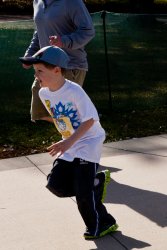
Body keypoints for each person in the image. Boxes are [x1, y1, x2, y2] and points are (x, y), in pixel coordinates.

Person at [19, 46, 118, 240]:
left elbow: (91, 120)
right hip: (70, 142)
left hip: (89, 140)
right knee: (55, 184)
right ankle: (95, 184)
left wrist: (68, 142)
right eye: (35, 71)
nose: (36, 76)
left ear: (57, 70)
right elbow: (59, 116)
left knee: (83, 195)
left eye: (40, 71)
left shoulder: (75, 91)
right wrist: (65, 139)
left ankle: (101, 225)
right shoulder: (44, 93)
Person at [22, 0, 95, 123]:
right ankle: (70, 136)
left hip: (70, 66)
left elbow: (88, 31)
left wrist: (64, 41)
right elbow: (39, 32)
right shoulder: (37, 2)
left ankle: (87, 136)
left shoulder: (72, 2)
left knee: (68, 116)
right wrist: (30, 55)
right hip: (46, 65)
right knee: (40, 109)